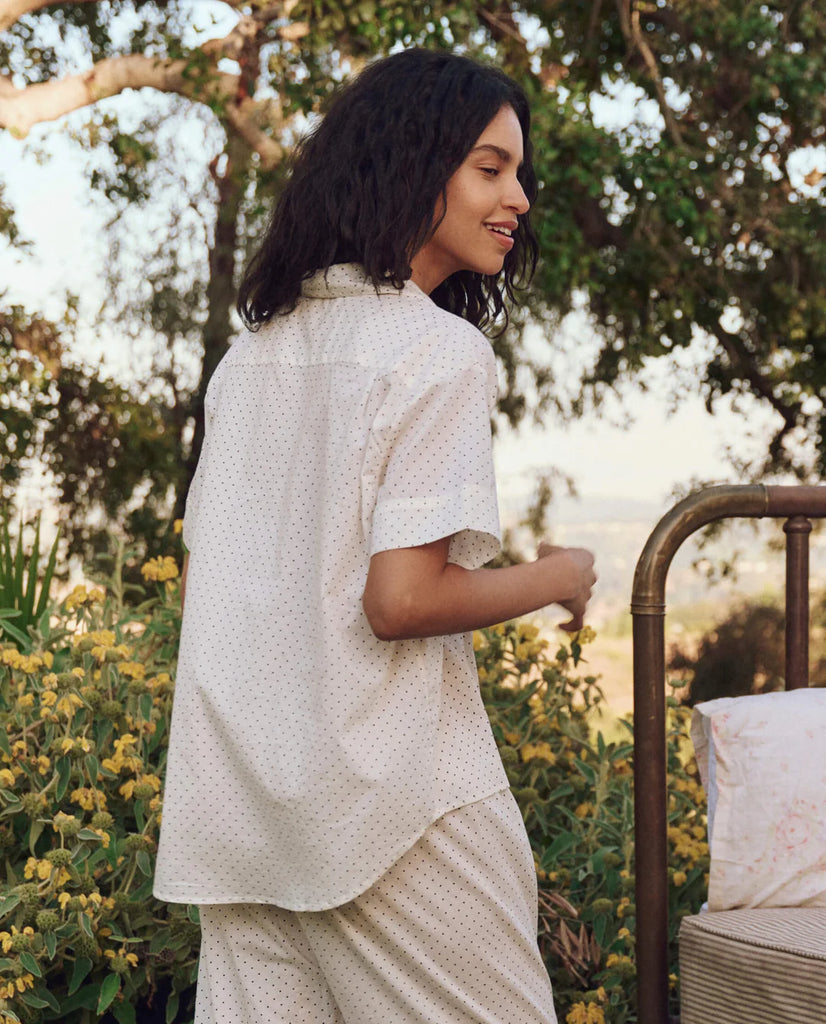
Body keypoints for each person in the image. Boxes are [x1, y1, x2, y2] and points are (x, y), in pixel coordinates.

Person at [154, 47, 596, 1024]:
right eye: (490, 166)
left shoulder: (249, 360)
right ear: (412, 161)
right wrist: (558, 570)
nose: (516, 196)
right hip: (396, 812)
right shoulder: (434, 352)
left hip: (244, 813)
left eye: (516, 171)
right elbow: (400, 601)